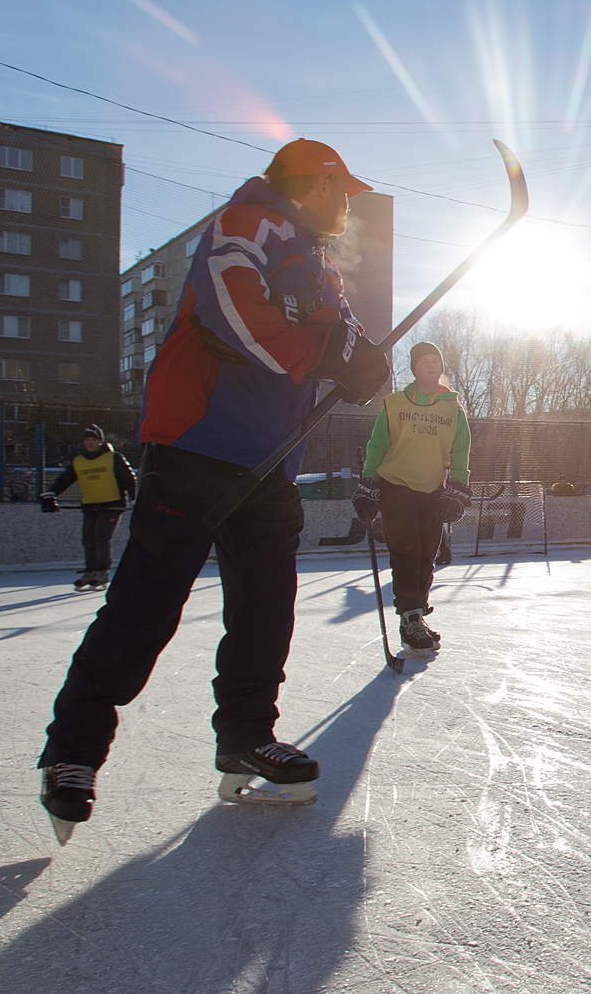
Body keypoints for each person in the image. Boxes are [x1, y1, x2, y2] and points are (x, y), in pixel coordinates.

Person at [34, 139, 390, 843]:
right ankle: (71, 751)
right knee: (145, 607)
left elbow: (341, 343)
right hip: (198, 446)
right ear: (314, 182)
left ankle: (246, 736)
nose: (347, 203)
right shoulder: (246, 223)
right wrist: (325, 353)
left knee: (265, 610)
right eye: (340, 188)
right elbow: (234, 311)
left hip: (271, 463)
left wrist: (363, 363)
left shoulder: (323, 270)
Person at [353, 341, 471, 657]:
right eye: (424, 362)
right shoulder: (394, 404)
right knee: (407, 553)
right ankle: (410, 617)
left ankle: (416, 613)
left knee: (426, 558)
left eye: (435, 361)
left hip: (432, 491)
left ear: (441, 367)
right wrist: (369, 482)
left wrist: (458, 488)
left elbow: (460, 453)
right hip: (396, 487)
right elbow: (378, 445)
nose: (430, 366)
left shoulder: (453, 408)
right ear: (414, 369)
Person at [40, 423, 136, 591]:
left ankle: (102, 573)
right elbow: (64, 480)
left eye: (94, 439)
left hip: (112, 505)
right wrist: (51, 494)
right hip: (90, 505)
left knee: (101, 538)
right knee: (88, 540)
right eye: (87, 440)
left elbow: (129, 478)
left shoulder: (113, 458)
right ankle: (90, 572)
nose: (90, 443)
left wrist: (135, 498)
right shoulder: (79, 462)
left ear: (100, 441)